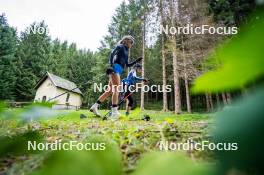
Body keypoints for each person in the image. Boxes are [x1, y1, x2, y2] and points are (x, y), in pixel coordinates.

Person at [90, 35, 142, 120]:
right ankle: (114, 112)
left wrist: (136, 61)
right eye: (131, 42)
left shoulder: (126, 51)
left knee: (109, 90)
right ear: (125, 40)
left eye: (132, 43)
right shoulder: (121, 46)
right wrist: (111, 66)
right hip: (115, 69)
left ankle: (94, 107)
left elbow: (127, 64)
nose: (132, 44)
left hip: (118, 70)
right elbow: (112, 53)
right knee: (116, 89)